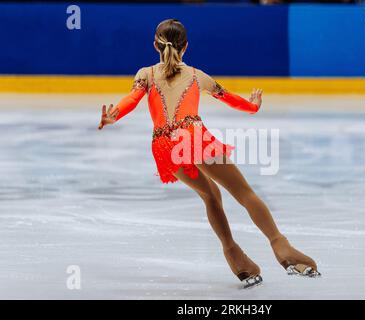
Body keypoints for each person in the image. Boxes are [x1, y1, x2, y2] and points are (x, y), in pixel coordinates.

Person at [98, 19, 320, 288]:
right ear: (186, 46)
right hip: (191, 137)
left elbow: (131, 99)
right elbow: (228, 97)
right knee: (244, 193)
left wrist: (114, 116)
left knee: (210, 195)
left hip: (164, 146)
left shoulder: (144, 74)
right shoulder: (196, 75)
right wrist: (253, 107)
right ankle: (281, 246)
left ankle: (236, 258)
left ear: (155, 44)